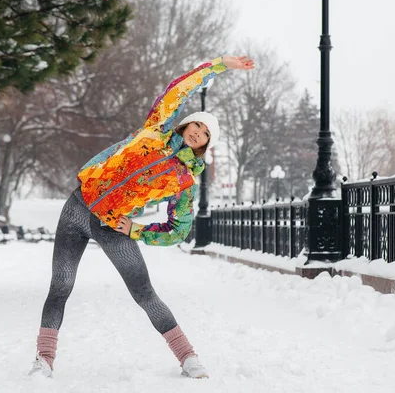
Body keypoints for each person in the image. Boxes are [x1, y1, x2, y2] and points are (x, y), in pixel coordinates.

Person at [29, 55, 255, 379]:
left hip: (113, 226)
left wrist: (138, 230)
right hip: (77, 207)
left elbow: (179, 230)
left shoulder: (184, 181)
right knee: (61, 284)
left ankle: (188, 356)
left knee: (143, 292)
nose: (198, 132)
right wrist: (219, 64)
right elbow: (178, 89)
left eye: (206, 133)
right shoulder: (155, 130)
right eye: (197, 124)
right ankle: (44, 359)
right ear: (187, 123)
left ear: (207, 144)